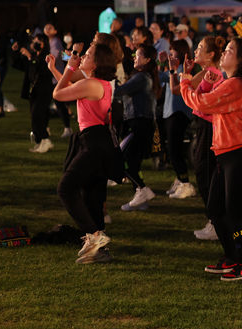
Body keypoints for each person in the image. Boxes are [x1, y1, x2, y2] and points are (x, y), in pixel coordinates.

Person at [180, 38, 242, 281]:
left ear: (241, 60)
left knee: (236, 213)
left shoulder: (238, 85)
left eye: (230, 50)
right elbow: (204, 108)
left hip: (241, 153)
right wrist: (205, 85)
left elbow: (201, 103)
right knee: (215, 209)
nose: (224, 53)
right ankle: (232, 257)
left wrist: (185, 82)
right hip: (228, 153)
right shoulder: (231, 83)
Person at [51, 43, 121, 264]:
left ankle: (95, 237)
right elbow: (70, 82)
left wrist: (69, 69)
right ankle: (99, 250)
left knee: (66, 188)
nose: (82, 57)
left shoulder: (90, 83)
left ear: (97, 62)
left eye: (88, 55)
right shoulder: (98, 83)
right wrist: (57, 67)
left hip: (94, 143)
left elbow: (58, 93)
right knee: (92, 196)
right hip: (99, 142)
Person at [184, 37, 227, 240]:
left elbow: (198, 101)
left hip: (209, 128)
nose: (196, 50)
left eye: (200, 48)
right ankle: (215, 220)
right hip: (203, 127)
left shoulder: (214, 74)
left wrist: (189, 82)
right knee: (203, 173)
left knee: (206, 174)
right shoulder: (208, 73)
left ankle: (216, 222)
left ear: (211, 55)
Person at [114, 45, 160, 211]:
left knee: (121, 158)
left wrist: (108, 83)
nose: (135, 58)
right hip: (140, 124)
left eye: (138, 55)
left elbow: (119, 91)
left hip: (140, 124)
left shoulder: (141, 77)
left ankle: (142, 189)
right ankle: (141, 199)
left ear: (147, 60)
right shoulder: (143, 76)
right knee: (133, 163)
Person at [159, 39, 195, 199]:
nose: (170, 55)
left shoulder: (182, 70)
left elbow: (164, 78)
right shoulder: (173, 69)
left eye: (172, 52)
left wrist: (165, 67)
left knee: (175, 150)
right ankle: (180, 180)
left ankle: (186, 182)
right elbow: (160, 78)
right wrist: (163, 65)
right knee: (172, 149)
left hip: (179, 113)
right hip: (170, 112)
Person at [12, 34, 55, 153]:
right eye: (34, 41)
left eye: (39, 41)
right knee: (35, 116)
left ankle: (45, 140)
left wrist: (30, 57)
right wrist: (16, 52)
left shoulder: (46, 56)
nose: (35, 43)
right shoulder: (33, 55)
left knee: (38, 115)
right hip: (34, 91)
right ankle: (41, 141)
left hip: (44, 90)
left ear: (44, 44)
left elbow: (43, 70)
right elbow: (17, 65)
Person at [44, 23, 73, 138]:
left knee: (59, 104)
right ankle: (46, 128)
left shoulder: (55, 42)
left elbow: (57, 56)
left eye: (50, 27)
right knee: (48, 104)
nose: (47, 28)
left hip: (56, 77)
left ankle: (67, 128)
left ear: (55, 31)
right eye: (46, 27)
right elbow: (64, 56)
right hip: (52, 77)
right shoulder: (49, 42)